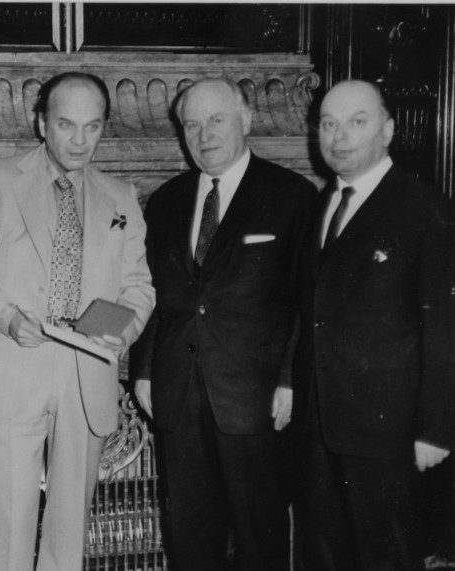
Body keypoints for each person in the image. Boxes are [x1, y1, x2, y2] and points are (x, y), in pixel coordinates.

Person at [0, 72, 155, 569]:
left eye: (92, 126)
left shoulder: (121, 195)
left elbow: (139, 287)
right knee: (9, 528)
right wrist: (6, 317)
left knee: (69, 530)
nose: (80, 141)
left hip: (87, 378)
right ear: (42, 123)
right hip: (13, 370)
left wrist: (118, 332)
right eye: (66, 125)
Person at [129, 77, 317, 570]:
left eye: (216, 120)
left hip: (255, 398)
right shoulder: (166, 201)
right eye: (192, 125)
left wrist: (290, 379)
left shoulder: (292, 195)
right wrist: (144, 370)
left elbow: (307, 300)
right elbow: (156, 292)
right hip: (179, 394)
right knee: (190, 537)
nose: (204, 134)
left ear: (246, 120)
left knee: (259, 538)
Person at [294, 79, 452, 570]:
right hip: (321, 427)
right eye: (328, 123)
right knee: (324, 556)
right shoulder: (321, 204)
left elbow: (445, 330)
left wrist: (436, 430)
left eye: (356, 122)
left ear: (387, 129)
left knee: (386, 558)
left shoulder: (425, 209)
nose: (338, 137)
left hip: (389, 434)